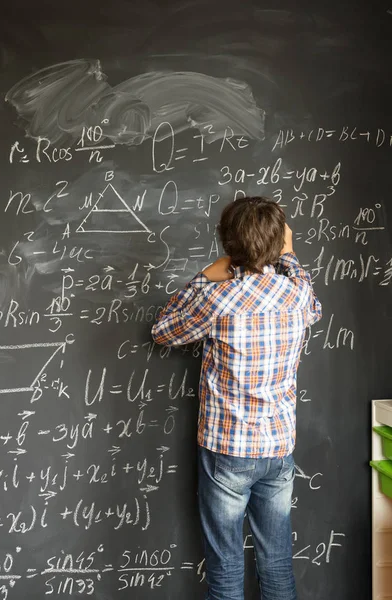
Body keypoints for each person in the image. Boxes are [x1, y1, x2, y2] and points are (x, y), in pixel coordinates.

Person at [151, 196, 322, 600]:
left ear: (228, 245)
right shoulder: (297, 293)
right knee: (276, 560)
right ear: (281, 241)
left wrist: (203, 277)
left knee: (226, 562)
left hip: (227, 448)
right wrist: (289, 255)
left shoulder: (217, 298)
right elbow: (311, 304)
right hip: (278, 446)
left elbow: (163, 330)